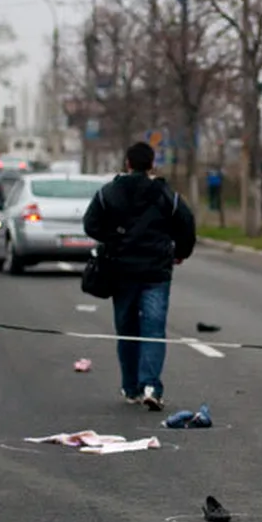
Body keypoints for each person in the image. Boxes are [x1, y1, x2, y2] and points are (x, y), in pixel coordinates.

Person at [83, 142, 197, 411]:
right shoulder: (165, 194)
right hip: (156, 271)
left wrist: (115, 239)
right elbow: (186, 223)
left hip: (121, 270)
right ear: (152, 164)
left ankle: (131, 386)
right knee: (154, 329)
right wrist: (179, 252)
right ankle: (152, 386)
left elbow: (91, 224)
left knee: (127, 330)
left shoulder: (109, 192)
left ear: (127, 163)